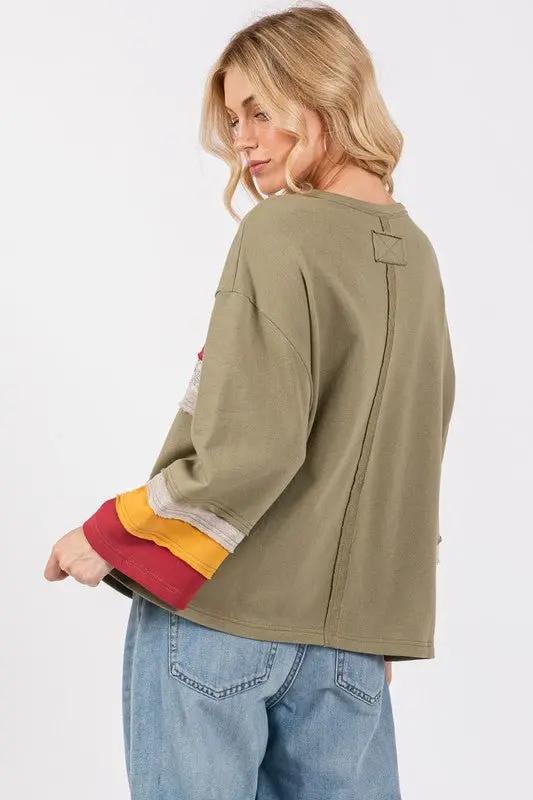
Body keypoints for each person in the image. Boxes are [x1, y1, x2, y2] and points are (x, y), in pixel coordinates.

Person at [43, 3, 455, 798]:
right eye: (234, 119)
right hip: (350, 643)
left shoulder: (279, 232)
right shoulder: (417, 251)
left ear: (324, 95)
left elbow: (250, 446)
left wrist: (111, 534)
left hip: (218, 622)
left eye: (260, 111)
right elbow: (416, 448)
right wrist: (377, 622)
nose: (241, 139)